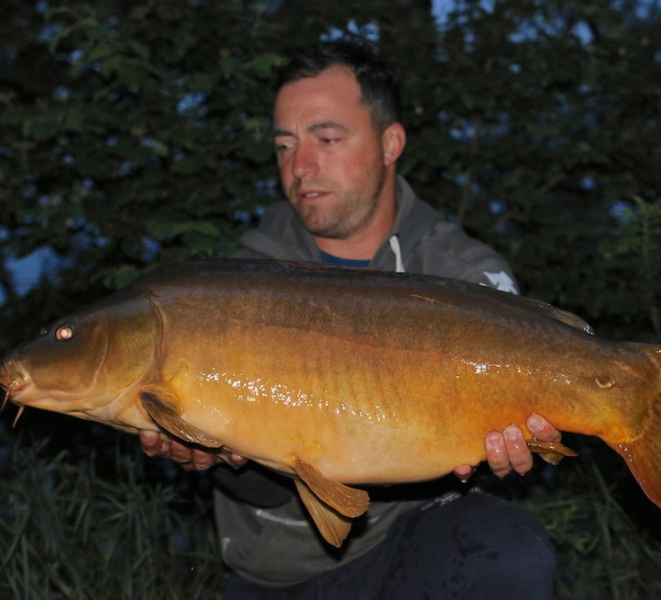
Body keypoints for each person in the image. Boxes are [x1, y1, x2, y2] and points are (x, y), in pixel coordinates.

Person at [140, 40, 560, 599]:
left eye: (327, 138)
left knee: (507, 554)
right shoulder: (241, 285)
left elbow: (498, 436)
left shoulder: (461, 272)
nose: (300, 165)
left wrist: (520, 445)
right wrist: (215, 455)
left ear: (391, 143)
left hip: (406, 539)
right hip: (276, 570)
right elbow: (263, 491)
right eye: (285, 143)